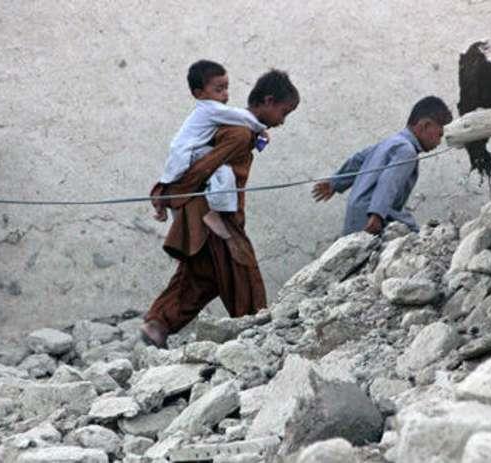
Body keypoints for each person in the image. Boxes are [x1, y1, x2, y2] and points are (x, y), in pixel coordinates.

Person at [141, 69, 299, 348]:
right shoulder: (238, 133)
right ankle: (257, 336)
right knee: (242, 268)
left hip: (216, 214)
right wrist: (167, 193)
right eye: (283, 113)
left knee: (203, 276)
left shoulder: (243, 129)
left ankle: (159, 325)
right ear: (269, 101)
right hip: (216, 218)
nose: (283, 122)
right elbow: (203, 168)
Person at [155, 59, 269, 238]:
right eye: (219, 89)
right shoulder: (210, 109)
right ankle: (216, 213)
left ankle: (165, 210)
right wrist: (261, 129)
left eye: (226, 88)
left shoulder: (207, 110)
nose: (225, 94)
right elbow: (240, 116)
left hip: (182, 155)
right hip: (189, 154)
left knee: (185, 192)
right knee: (224, 171)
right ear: (199, 93)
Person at [312, 96, 452, 235]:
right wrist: (377, 214)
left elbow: (358, 160)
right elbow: (389, 181)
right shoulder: (407, 151)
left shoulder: (391, 142)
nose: (439, 142)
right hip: (371, 218)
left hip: (356, 213)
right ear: (425, 126)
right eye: (439, 135)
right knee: (416, 232)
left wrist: (335, 183)